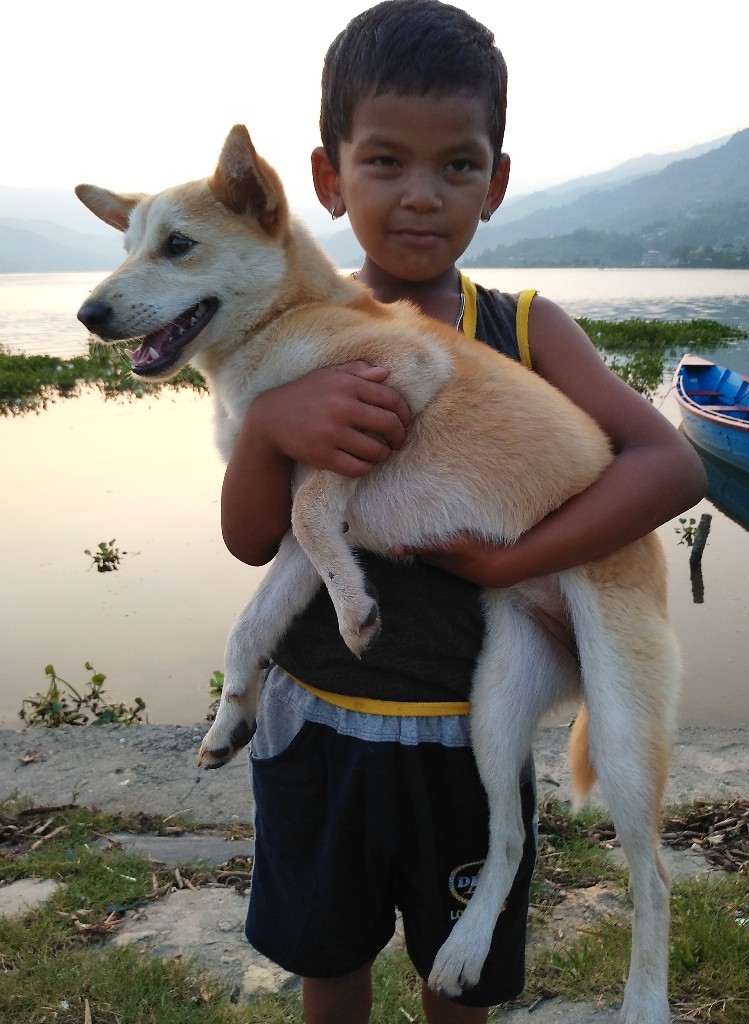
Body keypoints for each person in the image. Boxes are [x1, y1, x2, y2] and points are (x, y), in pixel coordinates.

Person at [220, 2, 707, 1021]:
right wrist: (269, 424)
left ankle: (648, 979)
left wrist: (506, 564)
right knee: (328, 962)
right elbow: (253, 539)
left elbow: (668, 464)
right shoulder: (295, 338)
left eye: (456, 166)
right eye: (385, 161)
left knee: (464, 982)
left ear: (496, 182)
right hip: (318, 721)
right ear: (327, 177)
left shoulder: (528, 327)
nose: (420, 195)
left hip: (463, 729)